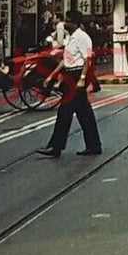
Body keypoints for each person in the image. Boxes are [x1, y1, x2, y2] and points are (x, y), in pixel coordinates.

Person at [37, 12, 101, 159]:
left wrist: (82, 79)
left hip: (77, 75)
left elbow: (87, 60)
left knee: (66, 112)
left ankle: (56, 146)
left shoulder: (82, 38)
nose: (66, 23)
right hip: (70, 75)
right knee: (83, 113)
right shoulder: (70, 38)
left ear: (76, 24)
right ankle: (93, 145)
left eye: (69, 21)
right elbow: (66, 60)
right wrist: (52, 75)